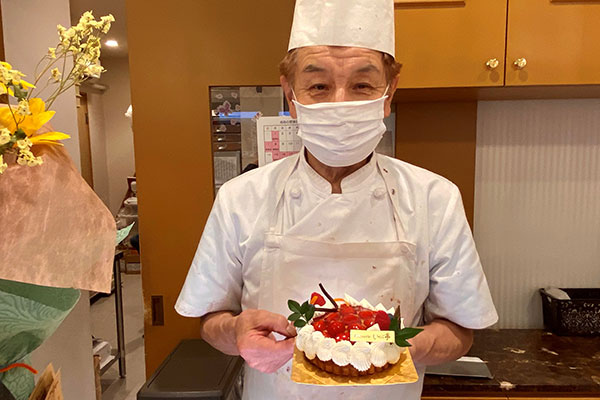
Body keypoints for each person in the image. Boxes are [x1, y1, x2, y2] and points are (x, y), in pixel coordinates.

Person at [175, 0, 498, 398]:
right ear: (290, 95)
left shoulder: (435, 198)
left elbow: (460, 329)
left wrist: (413, 346)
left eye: (362, 85)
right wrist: (236, 332)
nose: (341, 103)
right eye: (318, 86)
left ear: (389, 93)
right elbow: (210, 320)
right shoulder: (241, 198)